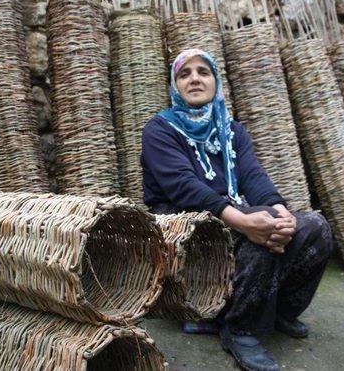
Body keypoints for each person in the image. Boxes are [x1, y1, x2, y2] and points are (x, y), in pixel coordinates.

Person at [141, 49, 333, 371]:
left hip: (230, 212)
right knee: (263, 232)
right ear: (175, 86)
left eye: (204, 71)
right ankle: (239, 328)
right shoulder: (159, 130)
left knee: (315, 226)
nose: (195, 79)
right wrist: (244, 221)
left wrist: (281, 210)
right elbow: (184, 187)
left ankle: (279, 312)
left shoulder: (231, 131)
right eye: (184, 74)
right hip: (182, 222)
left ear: (216, 81)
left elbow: (253, 175)